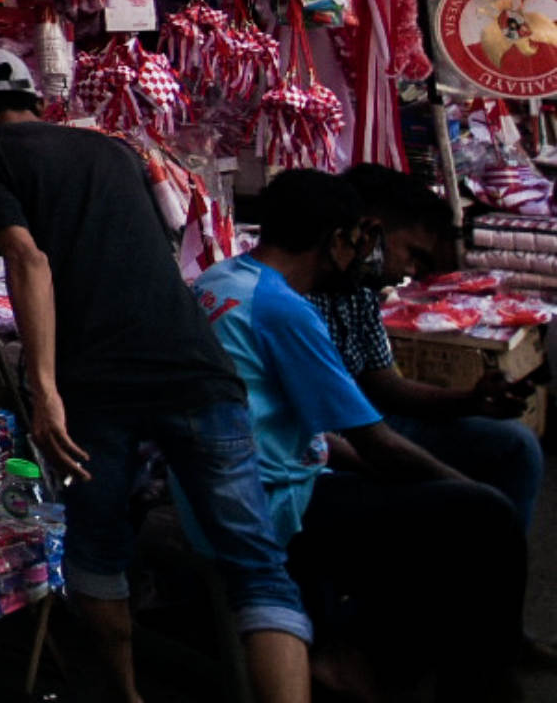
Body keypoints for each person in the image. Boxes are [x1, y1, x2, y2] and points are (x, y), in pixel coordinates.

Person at [0, 45, 309, 703]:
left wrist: (44, 389)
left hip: (98, 384)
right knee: (257, 565)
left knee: (98, 545)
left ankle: (128, 698)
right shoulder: (113, 150)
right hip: (193, 366)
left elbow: (26, 257)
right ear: (35, 98)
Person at [200, 169, 527, 702]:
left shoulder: (221, 281)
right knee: (482, 516)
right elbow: (375, 441)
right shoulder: (285, 309)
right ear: (338, 240)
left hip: (233, 483)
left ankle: (365, 655)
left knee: (435, 503)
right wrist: (467, 489)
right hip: (274, 502)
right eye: (358, 240)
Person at [316, 161, 541, 528]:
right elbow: (333, 437)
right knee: (459, 500)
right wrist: (440, 478)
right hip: (332, 445)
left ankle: (497, 571)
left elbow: (385, 383)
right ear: (371, 230)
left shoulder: (359, 291)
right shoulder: (298, 297)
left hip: (369, 427)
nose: (412, 272)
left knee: (516, 445)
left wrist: (470, 400)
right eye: (413, 254)